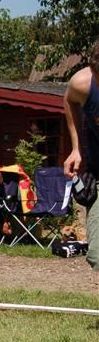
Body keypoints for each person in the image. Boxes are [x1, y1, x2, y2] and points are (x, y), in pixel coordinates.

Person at [64, 39, 99, 270]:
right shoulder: (82, 84)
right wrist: (76, 148)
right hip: (98, 172)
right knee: (96, 254)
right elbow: (69, 101)